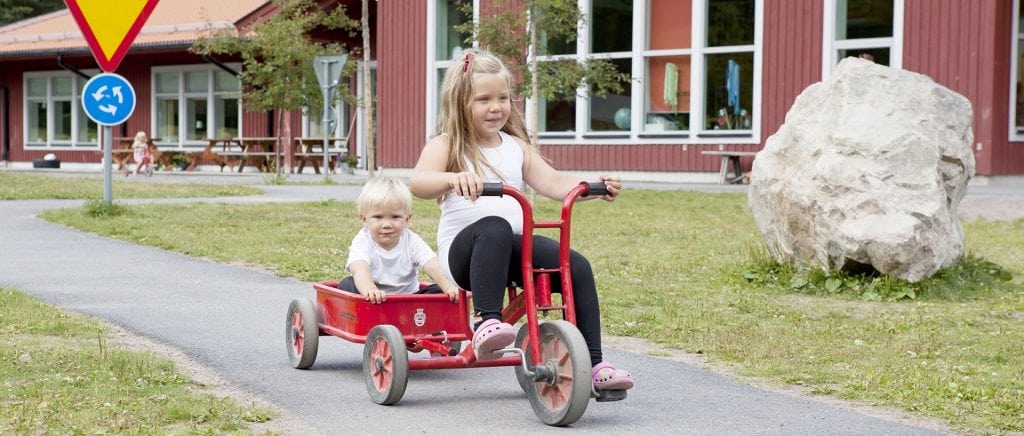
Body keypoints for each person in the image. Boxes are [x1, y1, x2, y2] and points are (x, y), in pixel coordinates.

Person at [409, 48, 634, 390]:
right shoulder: (448, 144)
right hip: (465, 257)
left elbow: (555, 183)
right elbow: (418, 183)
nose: (496, 107)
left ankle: (593, 362)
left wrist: (593, 187)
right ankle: (488, 321)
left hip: (513, 251)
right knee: (495, 227)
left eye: (503, 97)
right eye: (483, 99)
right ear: (460, 103)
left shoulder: (516, 147)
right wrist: (452, 179)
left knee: (575, 266)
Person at [338, 176, 460, 304]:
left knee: (439, 290)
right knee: (348, 285)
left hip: (408, 300)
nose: (387, 224)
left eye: (395, 217)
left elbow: (432, 265)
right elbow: (359, 269)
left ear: (407, 219)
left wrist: (448, 287)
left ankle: (430, 318)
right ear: (364, 219)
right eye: (378, 217)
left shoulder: (411, 240)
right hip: (372, 300)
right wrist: (371, 290)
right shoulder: (363, 241)